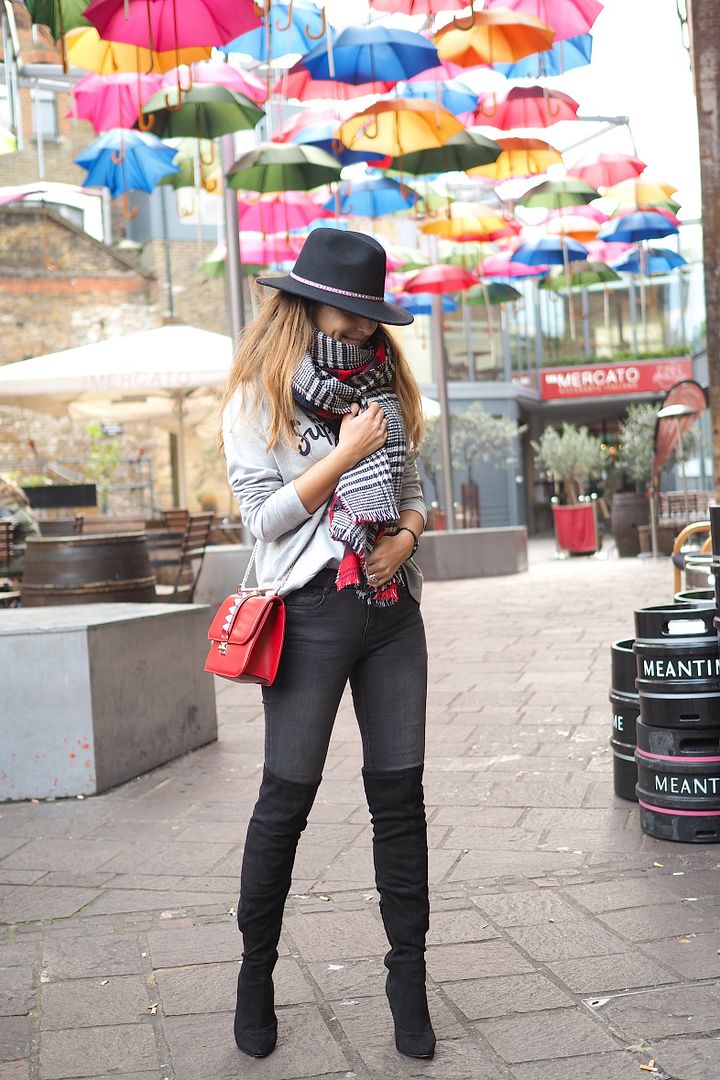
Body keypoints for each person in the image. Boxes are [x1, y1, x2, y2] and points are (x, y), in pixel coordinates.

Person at [220, 228, 434, 1062]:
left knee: (400, 799)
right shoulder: (257, 396)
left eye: (366, 320)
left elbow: (412, 487)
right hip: (306, 616)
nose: (355, 332)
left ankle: (408, 982)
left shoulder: (383, 386)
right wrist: (343, 455)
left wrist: (405, 538)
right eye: (342, 315)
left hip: (389, 613)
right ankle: (255, 973)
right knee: (287, 799)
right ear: (301, 302)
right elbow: (264, 522)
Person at [0, 475, 41, 577]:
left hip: (21, 559)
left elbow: (3, 531)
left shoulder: (6, 510)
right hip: (33, 554)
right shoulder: (17, 505)